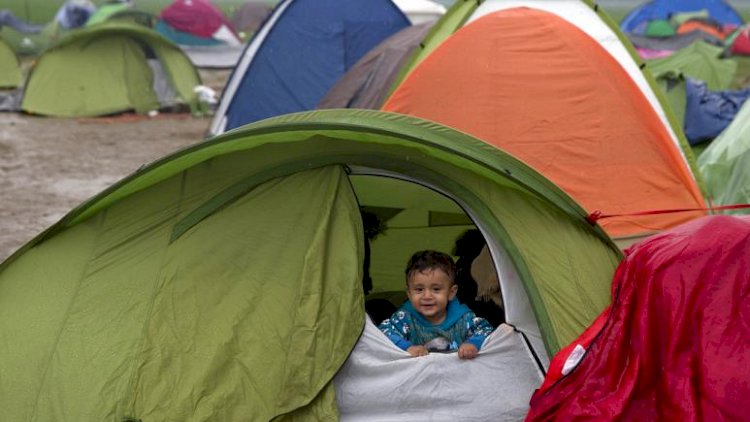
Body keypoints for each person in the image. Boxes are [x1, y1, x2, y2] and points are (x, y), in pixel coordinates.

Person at [379, 250, 494, 359]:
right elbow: (383, 332)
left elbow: (487, 330)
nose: (427, 296)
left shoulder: (464, 318)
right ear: (409, 294)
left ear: (451, 293)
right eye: (419, 289)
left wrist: (473, 343)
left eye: (436, 289)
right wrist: (407, 347)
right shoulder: (404, 318)